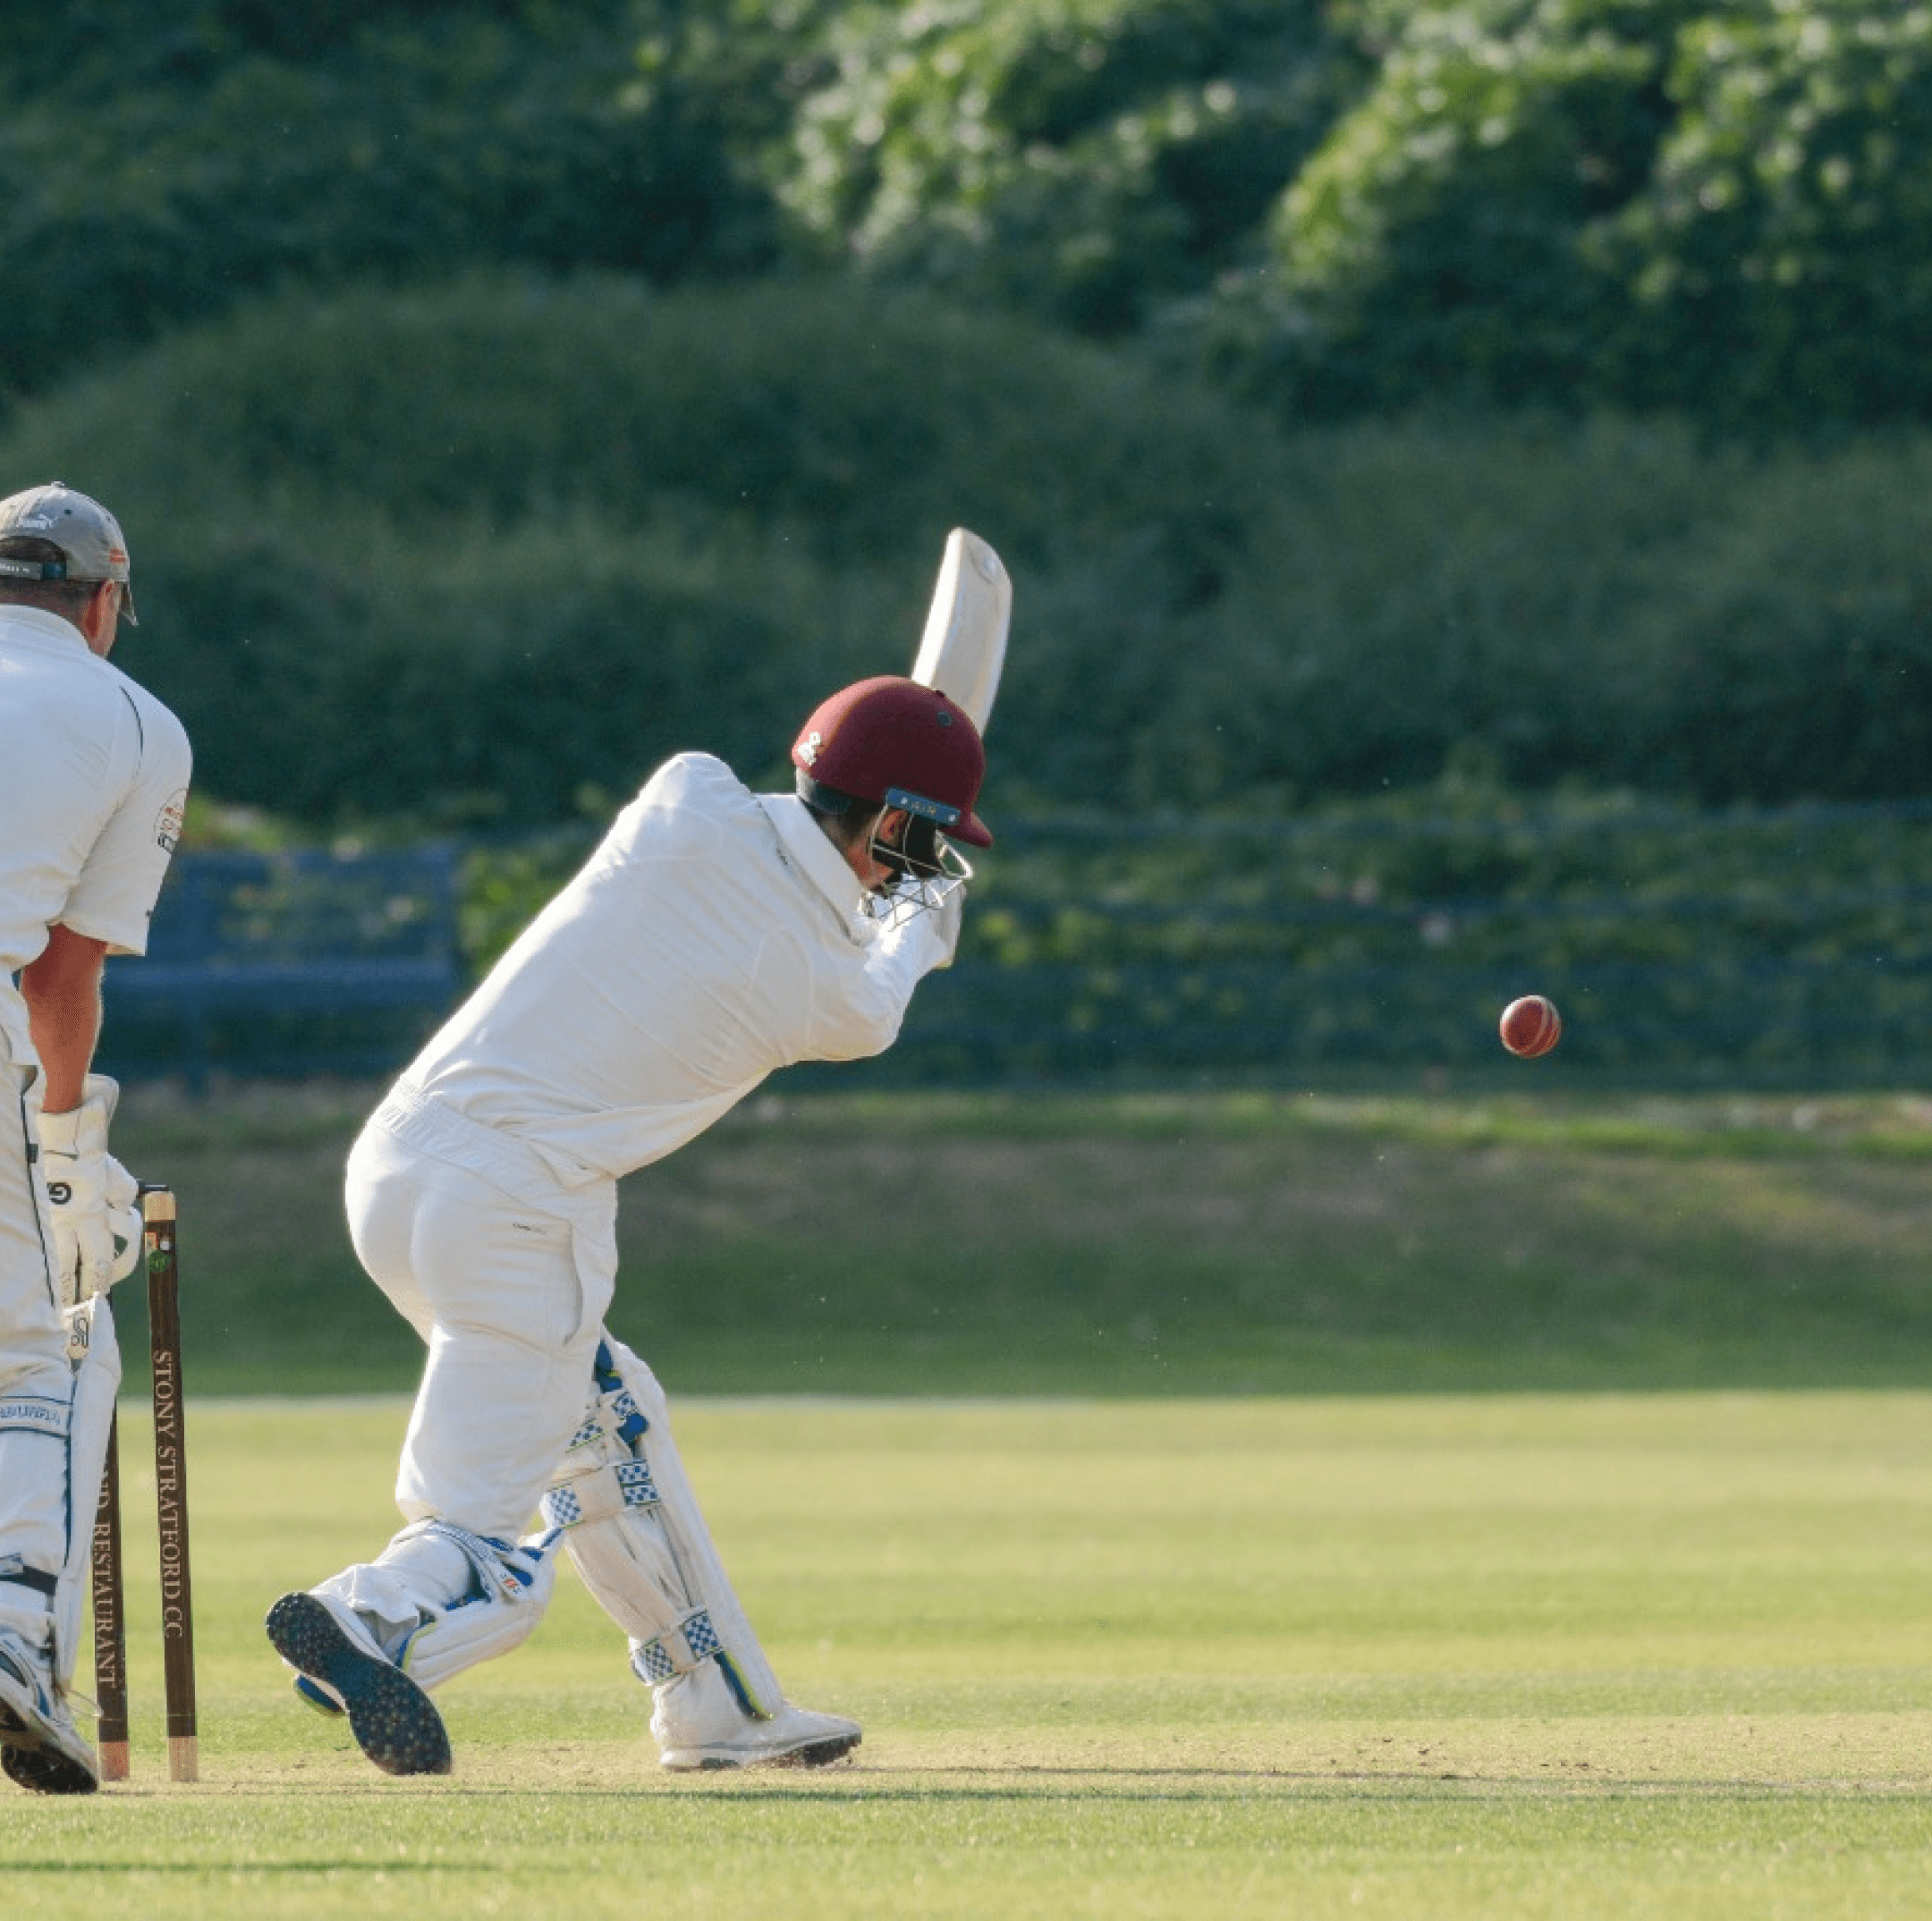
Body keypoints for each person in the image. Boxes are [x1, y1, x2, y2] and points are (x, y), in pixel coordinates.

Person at [267, 673, 991, 1777]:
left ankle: (715, 1705)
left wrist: (875, 852)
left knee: (612, 1422)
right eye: (916, 846)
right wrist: (923, 923)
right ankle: (372, 1617)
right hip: (516, 1209)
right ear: (892, 822)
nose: (917, 870)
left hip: (395, 1166)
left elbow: (776, 851)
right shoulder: (827, 991)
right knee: (486, 1528)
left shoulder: (684, 792)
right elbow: (874, 995)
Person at [0, 482, 192, 1795]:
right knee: (52, 1344)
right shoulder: (131, 719)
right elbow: (61, 980)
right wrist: (64, 1150)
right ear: (105, 599)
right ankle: (16, 1635)